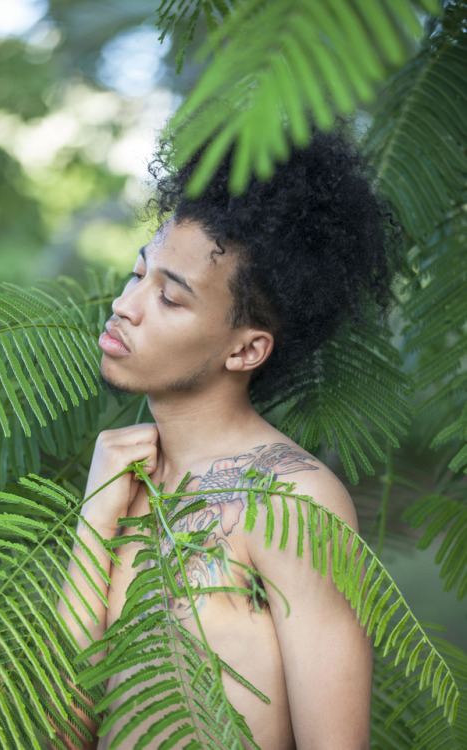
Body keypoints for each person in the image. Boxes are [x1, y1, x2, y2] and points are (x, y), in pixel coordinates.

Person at [56, 125, 396, 749]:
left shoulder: (294, 501)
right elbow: (61, 734)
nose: (125, 305)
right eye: (138, 274)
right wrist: (93, 522)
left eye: (171, 298)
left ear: (245, 349)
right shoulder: (118, 478)